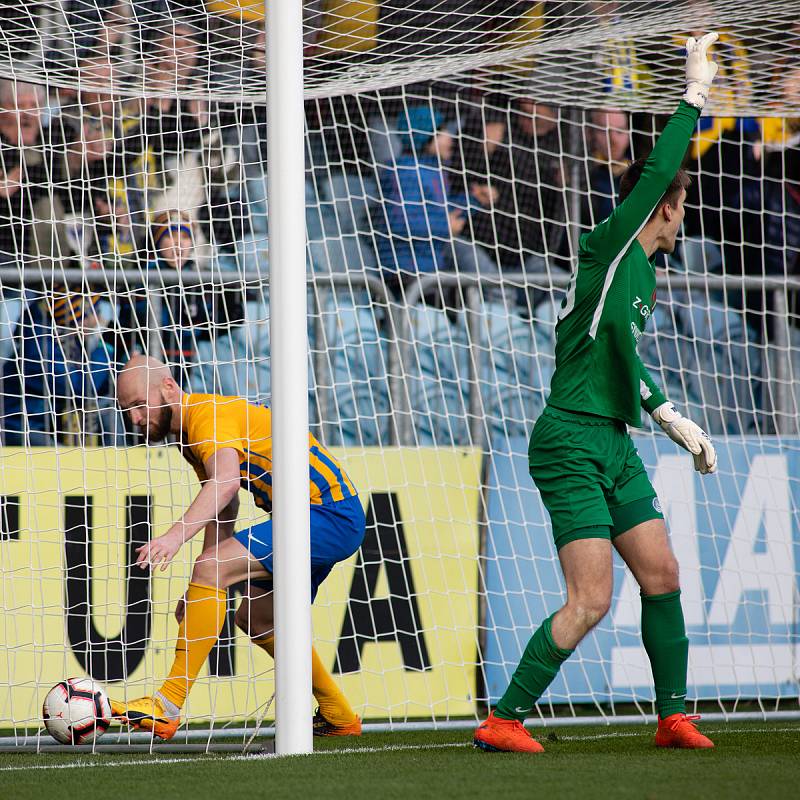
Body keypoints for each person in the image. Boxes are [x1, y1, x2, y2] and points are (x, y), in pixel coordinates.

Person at [473, 33, 720, 754]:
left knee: (662, 572)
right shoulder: (611, 247)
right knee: (591, 601)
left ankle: (672, 716)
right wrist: (693, 93)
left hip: (611, 440)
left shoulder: (644, 279)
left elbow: (619, 352)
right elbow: (659, 171)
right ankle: (503, 718)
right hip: (570, 440)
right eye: (682, 207)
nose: (684, 219)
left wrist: (661, 412)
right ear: (665, 210)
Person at [111, 355, 365, 740]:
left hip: (326, 513)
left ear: (168, 387)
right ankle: (339, 715)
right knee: (257, 619)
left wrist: (176, 538)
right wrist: (203, 586)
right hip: (311, 517)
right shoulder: (188, 434)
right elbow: (224, 504)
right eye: (126, 410)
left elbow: (226, 483)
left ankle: (166, 706)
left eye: (138, 404)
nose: (134, 419)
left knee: (215, 572)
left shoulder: (205, 415)